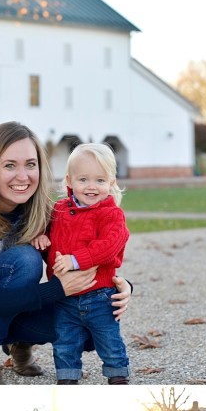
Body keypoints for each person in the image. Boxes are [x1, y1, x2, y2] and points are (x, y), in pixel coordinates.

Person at [0, 121, 132, 385]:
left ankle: (18, 340)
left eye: (30, 164)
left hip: (3, 307)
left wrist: (122, 287)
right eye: (10, 165)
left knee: (89, 322)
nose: (23, 176)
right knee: (25, 259)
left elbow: (85, 251)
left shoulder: (42, 210)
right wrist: (58, 290)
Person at [31, 143, 131, 384]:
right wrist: (43, 238)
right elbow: (56, 252)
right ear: (69, 180)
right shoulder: (60, 210)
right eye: (83, 179)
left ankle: (117, 375)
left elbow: (109, 247)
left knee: (109, 340)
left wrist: (76, 260)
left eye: (100, 180)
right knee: (65, 342)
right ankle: (67, 378)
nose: (91, 187)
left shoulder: (112, 214)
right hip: (64, 298)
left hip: (100, 295)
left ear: (111, 182)